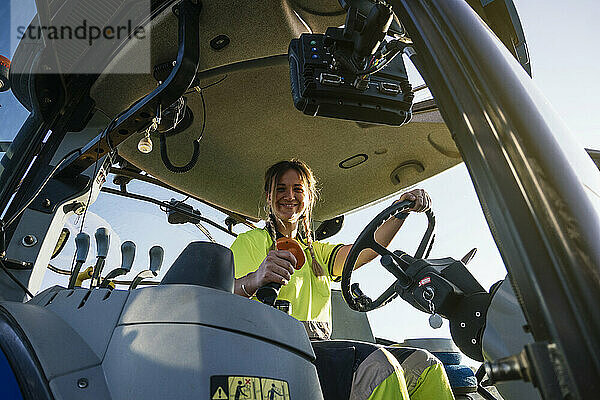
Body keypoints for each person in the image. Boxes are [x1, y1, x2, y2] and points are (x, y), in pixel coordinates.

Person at [231, 159, 454, 400]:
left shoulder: (316, 253)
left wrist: (401, 211)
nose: (289, 196)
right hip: (275, 351)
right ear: (268, 196)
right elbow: (220, 293)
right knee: (379, 369)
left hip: (317, 350)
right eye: (281, 189)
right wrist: (254, 278)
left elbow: (365, 251)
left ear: (308, 199)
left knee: (426, 364)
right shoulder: (251, 242)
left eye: (298, 189)